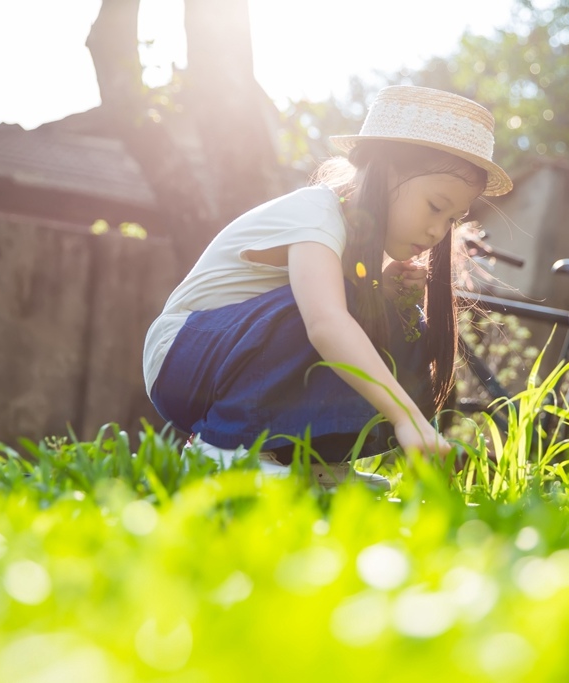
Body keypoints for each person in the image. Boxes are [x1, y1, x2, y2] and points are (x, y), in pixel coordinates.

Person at [142, 85, 512, 487]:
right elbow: (325, 323)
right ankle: (226, 451)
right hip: (182, 357)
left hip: (226, 355)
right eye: (436, 207)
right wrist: (408, 419)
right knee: (342, 314)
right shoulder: (317, 212)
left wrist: (385, 296)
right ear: (386, 173)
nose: (438, 231)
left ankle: (313, 461)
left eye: (452, 219)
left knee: (404, 321)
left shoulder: (359, 235)